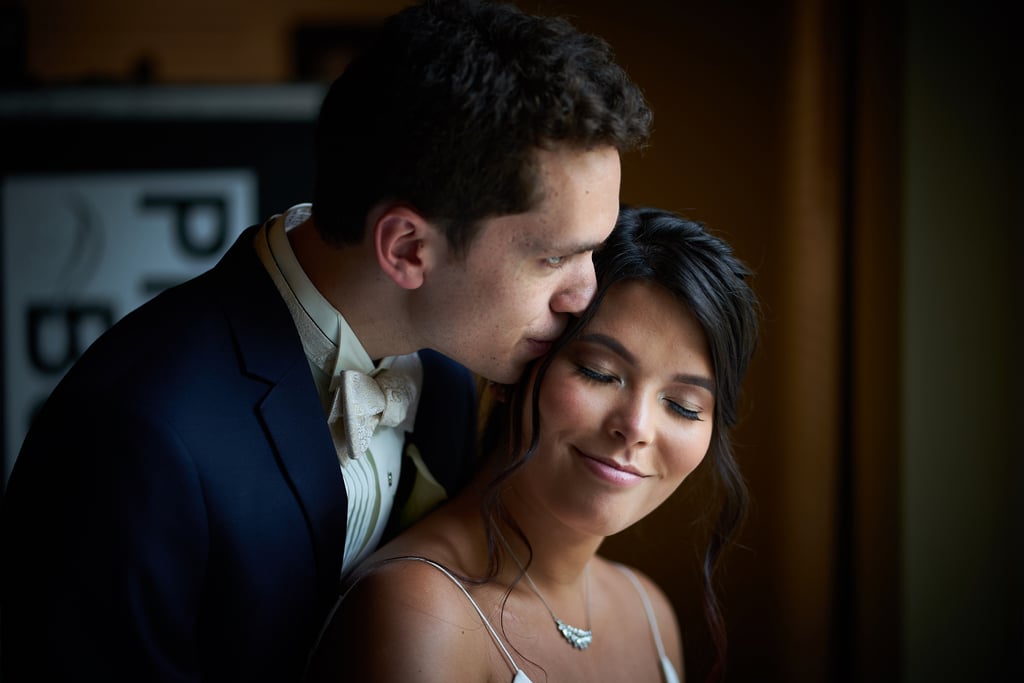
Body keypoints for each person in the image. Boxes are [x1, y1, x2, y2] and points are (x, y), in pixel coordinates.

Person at [0, 1, 652, 681]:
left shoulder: (455, 381)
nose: (584, 296)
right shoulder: (137, 431)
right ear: (406, 248)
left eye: (594, 253)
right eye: (552, 258)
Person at [305, 205, 761, 683]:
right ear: (515, 369)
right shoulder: (421, 612)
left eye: (685, 406)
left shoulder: (650, 612)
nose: (637, 426)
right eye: (599, 373)